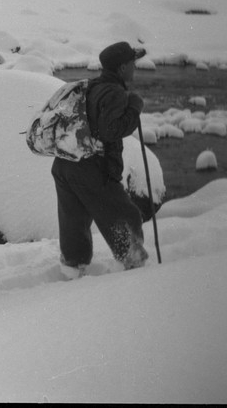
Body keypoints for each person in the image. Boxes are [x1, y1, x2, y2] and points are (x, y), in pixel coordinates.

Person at [52, 41, 149, 279]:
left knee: (74, 220)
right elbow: (110, 131)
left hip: (65, 163)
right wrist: (134, 109)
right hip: (90, 166)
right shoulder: (114, 92)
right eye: (132, 63)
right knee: (127, 215)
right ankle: (134, 264)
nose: (135, 68)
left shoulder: (91, 86)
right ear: (123, 67)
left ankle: (72, 268)